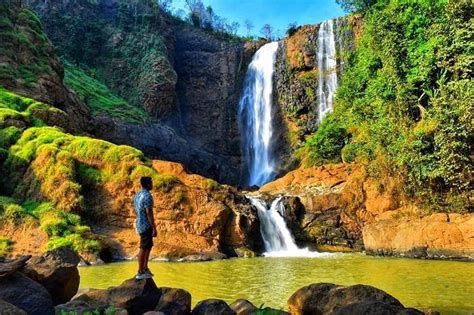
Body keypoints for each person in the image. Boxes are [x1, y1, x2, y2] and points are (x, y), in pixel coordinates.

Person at [133, 176, 157, 279]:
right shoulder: (147, 196)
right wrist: (154, 227)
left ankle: (145, 268)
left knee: (147, 246)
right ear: (148, 184)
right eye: (151, 183)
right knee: (143, 247)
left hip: (139, 222)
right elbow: (149, 213)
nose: (152, 185)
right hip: (146, 224)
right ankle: (140, 271)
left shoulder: (138, 194)